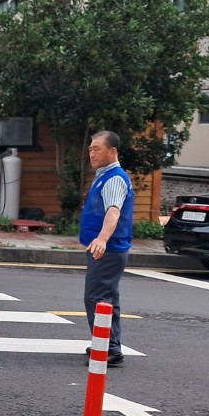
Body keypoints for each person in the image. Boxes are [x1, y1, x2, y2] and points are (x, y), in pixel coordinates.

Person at [80, 130, 134, 367]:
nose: (91, 153)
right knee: (107, 298)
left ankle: (109, 348)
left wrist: (101, 239)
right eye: (91, 148)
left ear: (112, 151)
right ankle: (108, 344)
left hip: (108, 249)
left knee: (96, 296)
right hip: (108, 248)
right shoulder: (105, 175)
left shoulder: (114, 178)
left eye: (97, 149)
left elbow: (114, 212)